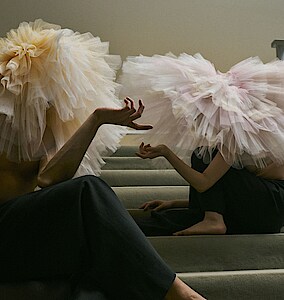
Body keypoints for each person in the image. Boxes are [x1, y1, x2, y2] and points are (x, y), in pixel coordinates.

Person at [0, 20, 206, 300]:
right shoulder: (4, 119)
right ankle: (181, 294)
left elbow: (48, 179)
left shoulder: (45, 128)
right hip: (7, 232)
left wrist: (97, 119)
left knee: (96, 275)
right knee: (88, 191)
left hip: (25, 231)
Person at [119, 52, 284, 236]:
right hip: (261, 208)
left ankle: (213, 220)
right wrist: (174, 203)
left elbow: (204, 183)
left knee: (202, 155)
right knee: (171, 220)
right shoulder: (234, 135)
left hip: (269, 208)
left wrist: (166, 152)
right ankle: (123, 228)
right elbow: (223, 190)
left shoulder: (235, 136)